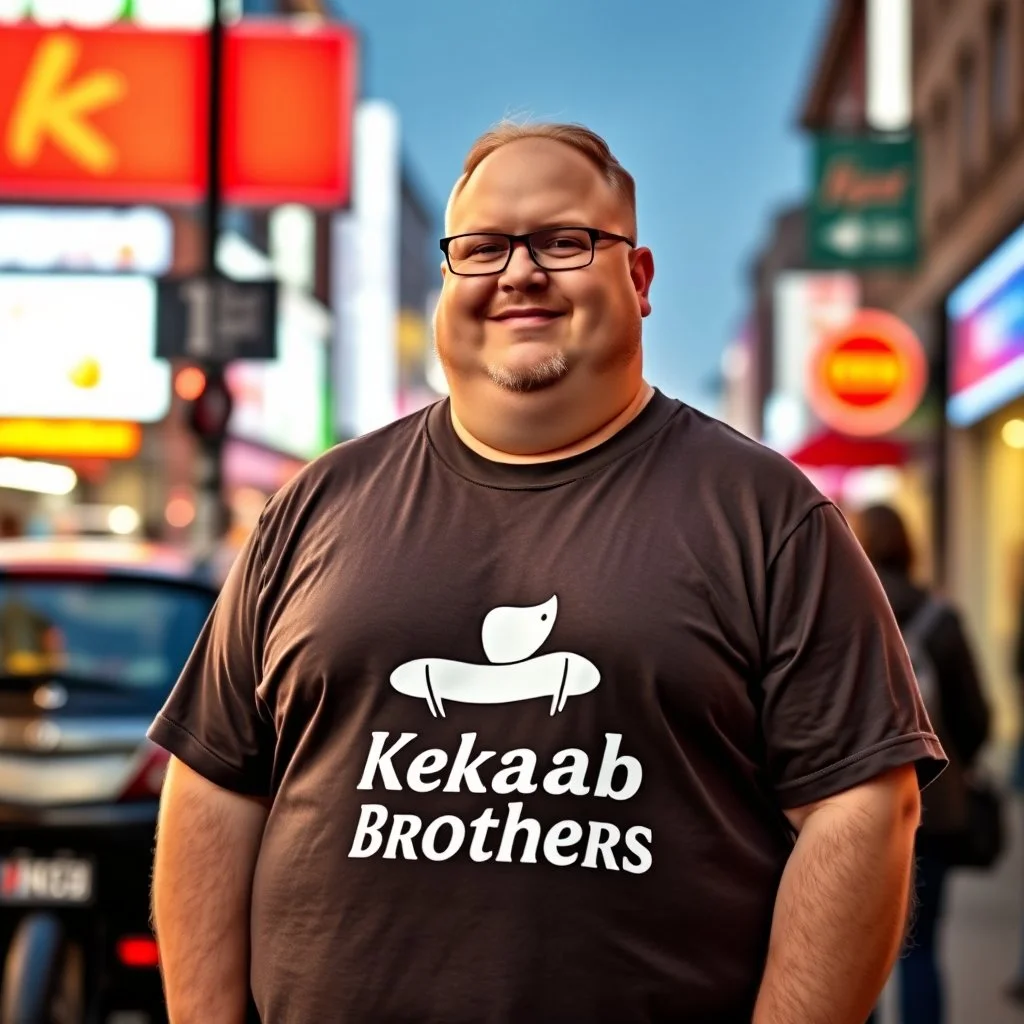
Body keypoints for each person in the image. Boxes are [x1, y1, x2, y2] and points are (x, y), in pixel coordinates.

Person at [148, 121, 946, 1024]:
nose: (519, 273)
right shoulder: (314, 505)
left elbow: (862, 814)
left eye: (564, 242)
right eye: (482, 248)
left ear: (638, 280)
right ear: (448, 278)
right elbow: (215, 783)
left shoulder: (768, 516)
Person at [852, 503, 990, 1024]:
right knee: (922, 948)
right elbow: (974, 715)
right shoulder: (941, 618)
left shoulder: (839, 605)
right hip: (933, 805)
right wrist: (957, 768)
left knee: (854, 951)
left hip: (854, 803)